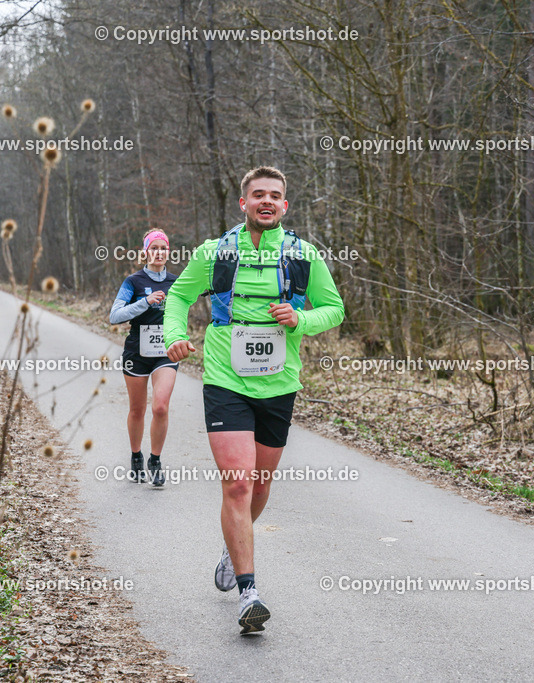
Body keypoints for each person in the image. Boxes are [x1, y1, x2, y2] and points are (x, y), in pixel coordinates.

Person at [164, 166, 344, 634]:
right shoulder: (215, 252)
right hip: (225, 381)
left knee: (260, 487)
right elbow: (178, 298)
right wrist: (174, 336)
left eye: (275, 195)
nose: (267, 201)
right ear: (243, 203)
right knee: (239, 485)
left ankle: (232, 544)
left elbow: (335, 309)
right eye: (258, 194)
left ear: (285, 205)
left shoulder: (302, 255)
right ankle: (249, 593)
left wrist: (301, 320)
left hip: (279, 384)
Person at [109, 229, 180, 487]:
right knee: (137, 410)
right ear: (145, 252)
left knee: (160, 407)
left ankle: (155, 460)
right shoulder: (133, 281)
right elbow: (115, 316)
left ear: (168, 252)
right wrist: (145, 302)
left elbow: (184, 309)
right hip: (137, 352)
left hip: (165, 352)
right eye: (154, 248)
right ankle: (136, 456)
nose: (159, 252)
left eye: (163, 248)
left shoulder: (176, 282)